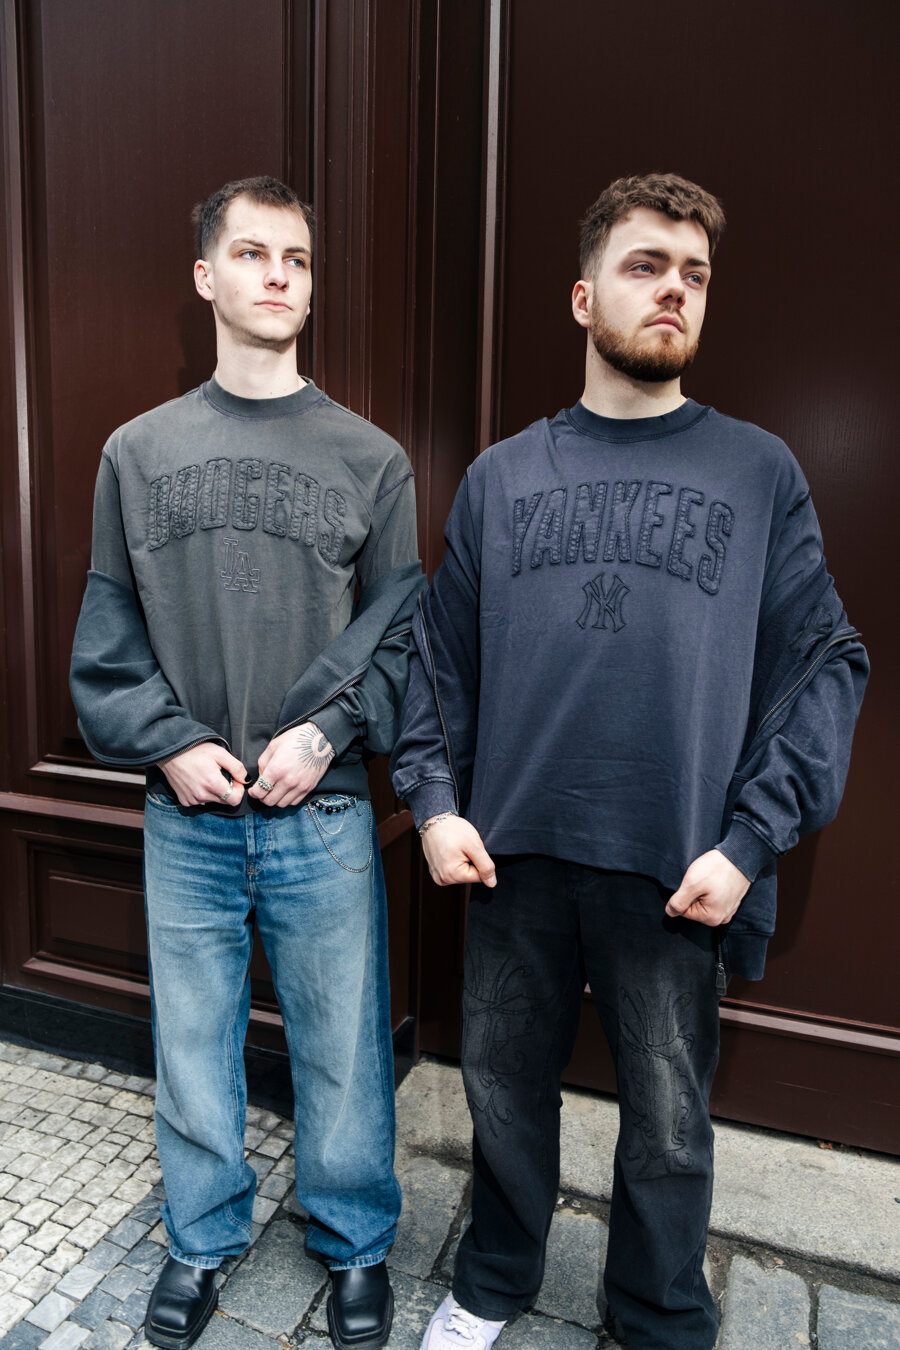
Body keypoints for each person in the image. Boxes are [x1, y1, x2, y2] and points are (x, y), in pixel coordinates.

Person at [390, 172, 868, 1350]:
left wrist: (750, 841)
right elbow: (438, 662)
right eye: (646, 266)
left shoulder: (758, 473)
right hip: (512, 856)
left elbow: (826, 662)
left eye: (694, 274)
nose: (673, 290)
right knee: (504, 1088)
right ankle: (496, 1279)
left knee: (666, 1120)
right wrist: (436, 805)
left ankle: (657, 1315)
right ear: (582, 295)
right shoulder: (504, 476)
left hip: (676, 865)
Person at [70, 175, 424, 1350]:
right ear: (205, 276)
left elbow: (401, 635)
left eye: (299, 259)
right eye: (254, 253)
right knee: (192, 1045)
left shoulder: (371, 459)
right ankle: (201, 1236)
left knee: (343, 1045)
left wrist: (326, 734)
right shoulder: (137, 453)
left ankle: (355, 1243)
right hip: (190, 816)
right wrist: (171, 745)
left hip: (323, 810)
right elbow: (108, 641)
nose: (279, 274)